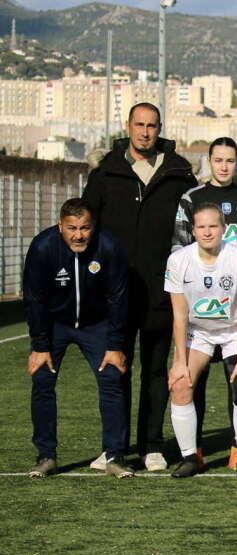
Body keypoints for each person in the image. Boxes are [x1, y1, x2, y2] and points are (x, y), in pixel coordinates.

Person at [82, 102, 198, 472]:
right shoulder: (105, 174)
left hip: (162, 293)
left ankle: (152, 446)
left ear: (160, 128)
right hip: (114, 295)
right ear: (128, 126)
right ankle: (113, 448)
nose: (145, 132)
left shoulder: (180, 175)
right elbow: (87, 231)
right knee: (115, 369)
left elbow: (193, 234)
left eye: (152, 125)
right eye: (139, 125)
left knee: (156, 371)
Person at [171, 136, 237, 470]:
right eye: (219, 160)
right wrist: (179, 360)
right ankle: (190, 454)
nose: (225, 166)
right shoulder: (191, 203)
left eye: (231, 160)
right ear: (209, 160)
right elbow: (179, 312)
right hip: (201, 322)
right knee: (183, 381)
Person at [23, 198, 132, 478]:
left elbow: (118, 297)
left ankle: (115, 456)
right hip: (55, 323)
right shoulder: (43, 246)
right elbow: (34, 298)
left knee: (111, 378)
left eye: (85, 228)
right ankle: (46, 456)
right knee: (42, 379)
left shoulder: (109, 246)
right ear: (60, 226)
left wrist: (115, 345)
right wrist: (40, 345)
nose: (79, 235)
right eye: (72, 228)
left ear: (93, 226)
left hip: (96, 324)